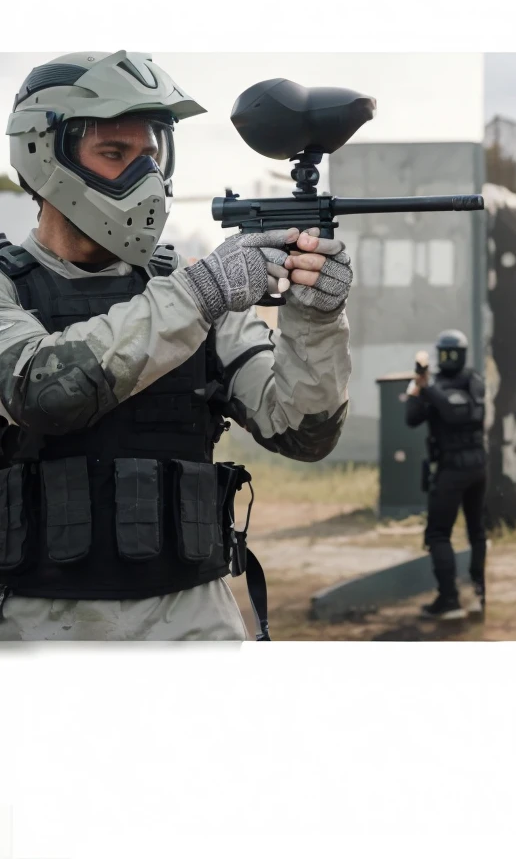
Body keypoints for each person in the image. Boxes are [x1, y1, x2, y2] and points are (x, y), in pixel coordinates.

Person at [0, 51, 354, 641]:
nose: (143, 178)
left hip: (192, 622)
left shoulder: (190, 293)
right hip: (35, 625)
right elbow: (44, 391)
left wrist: (316, 320)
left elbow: (302, 430)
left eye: (151, 155)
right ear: (45, 154)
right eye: (115, 154)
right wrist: (201, 293)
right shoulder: (12, 288)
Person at [405, 329, 487, 620]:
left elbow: (460, 413)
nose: (449, 359)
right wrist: (418, 387)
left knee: (446, 533)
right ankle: (465, 596)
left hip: (459, 468)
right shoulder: (437, 383)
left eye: (453, 354)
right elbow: (411, 418)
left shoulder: (472, 380)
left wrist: (428, 389)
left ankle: (458, 599)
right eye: (445, 353)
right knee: (454, 533)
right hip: (466, 466)